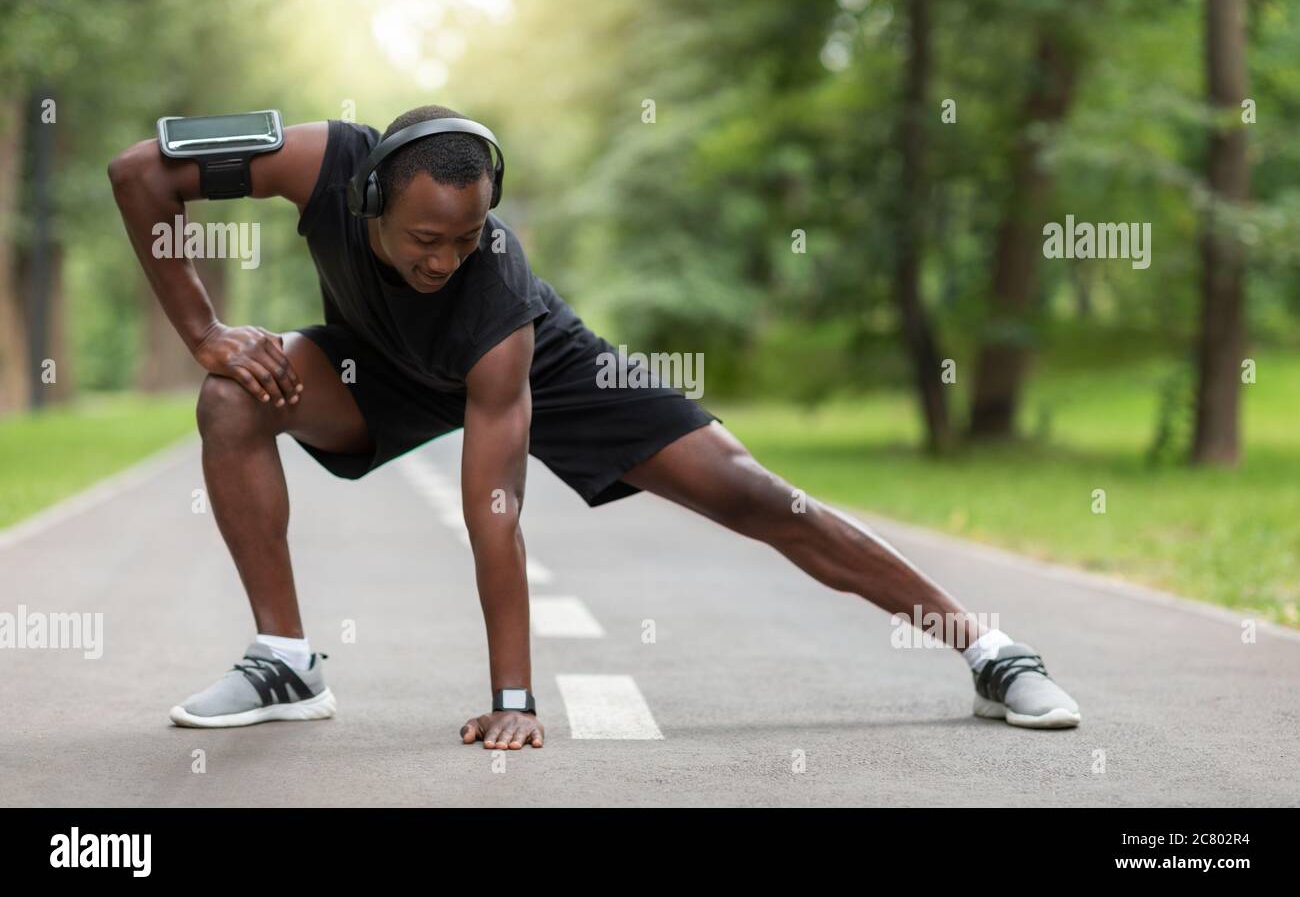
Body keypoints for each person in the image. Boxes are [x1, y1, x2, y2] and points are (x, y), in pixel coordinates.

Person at [107, 104, 1082, 749]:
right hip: (374, 363)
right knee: (231, 397)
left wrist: (514, 700)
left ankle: (991, 651)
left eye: (464, 237)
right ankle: (285, 661)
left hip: (541, 363)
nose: (443, 259)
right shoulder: (318, 159)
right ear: (369, 201)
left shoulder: (488, 299)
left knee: (753, 492)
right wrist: (204, 331)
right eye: (422, 238)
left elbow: (494, 506)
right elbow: (139, 171)